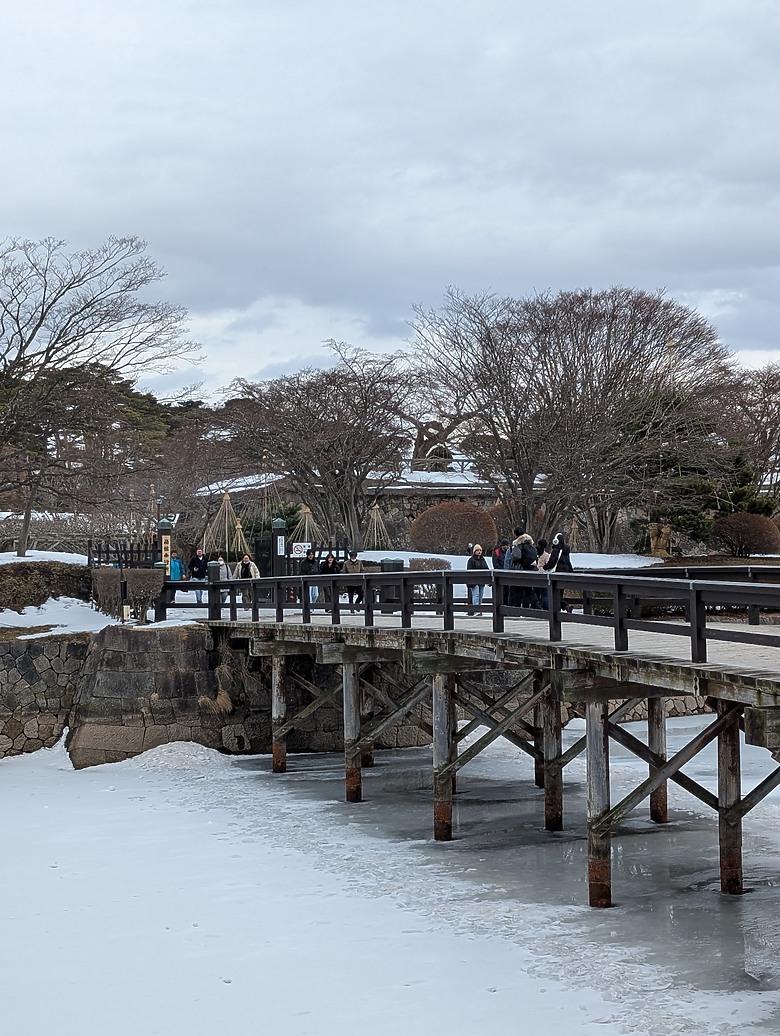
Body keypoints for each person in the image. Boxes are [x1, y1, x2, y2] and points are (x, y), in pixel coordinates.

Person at [544, 532, 574, 612]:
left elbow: (552, 562)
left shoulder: (556, 550)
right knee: (560, 593)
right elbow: (568, 563)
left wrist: (545, 567)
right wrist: (571, 573)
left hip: (556, 573)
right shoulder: (566, 551)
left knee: (554, 593)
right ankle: (563, 607)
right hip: (564, 574)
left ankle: (563, 607)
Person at [510, 530, 538, 607]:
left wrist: (512, 556)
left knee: (516, 591)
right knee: (528, 590)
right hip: (531, 570)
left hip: (520, 570)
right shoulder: (530, 544)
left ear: (515, 535)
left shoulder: (517, 544)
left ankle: (516, 611)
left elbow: (516, 556)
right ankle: (536, 605)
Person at [466, 543, 489, 615]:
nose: (479, 552)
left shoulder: (483, 560)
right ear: (474, 551)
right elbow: (469, 571)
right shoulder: (471, 560)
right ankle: (476, 610)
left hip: (481, 581)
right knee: (476, 594)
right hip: (474, 581)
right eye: (477, 550)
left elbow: (486, 569)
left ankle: (479, 609)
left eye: (480, 550)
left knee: (480, 595)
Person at [535, 538, 551, 609]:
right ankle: (545, 608)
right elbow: (548, 565)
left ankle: (535, 607)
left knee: (536, 594)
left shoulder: (534, 553)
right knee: (545, 594)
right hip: (543, 576)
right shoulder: (546, 555)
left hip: (535, 575)